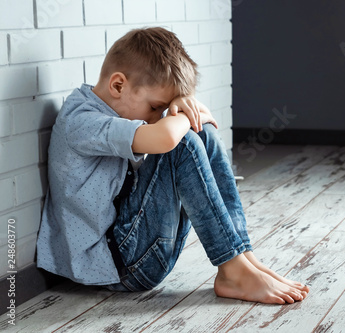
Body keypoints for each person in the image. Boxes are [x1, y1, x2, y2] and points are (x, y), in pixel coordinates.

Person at [36, 27, 309, 304]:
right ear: (118, 85)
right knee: (183, 141)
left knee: (202, 134)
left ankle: (243, 258)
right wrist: (186, 111)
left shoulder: (106, 108)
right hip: (119, 266)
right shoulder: (81, 120)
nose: (158, 116)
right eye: (156, 107)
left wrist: (181, 107)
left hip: (135, 248)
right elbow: (166, 138)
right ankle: (233, 270)